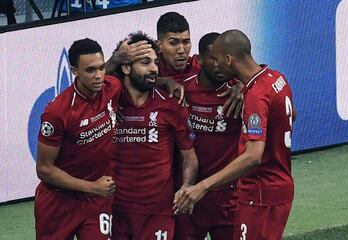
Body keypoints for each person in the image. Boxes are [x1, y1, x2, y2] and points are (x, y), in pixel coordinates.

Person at [175, 29, 295, 240]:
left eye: (218, 59)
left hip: (260, 192)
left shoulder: (256, 96)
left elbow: (253, 156)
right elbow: (292, 115)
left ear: (229, 59)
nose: (217, 65)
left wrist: (203, 186)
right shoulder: (277, 79)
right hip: (279, 184)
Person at [108, 32, 198, 240]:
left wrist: (186, 187)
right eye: (145, 62)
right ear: (126, 67)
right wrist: (113, 60)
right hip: (115, 210)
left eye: (155, 62)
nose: (154, 69)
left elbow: (189, 158)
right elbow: (82, 87)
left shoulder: (171, 104)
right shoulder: (107, 102)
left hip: (157, 212)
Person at [34, 38, 121, 240]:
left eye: (101, 68)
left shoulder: (112, 87)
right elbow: (44, 169)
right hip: (58, 201)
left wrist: (166, 82)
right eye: (90, 70)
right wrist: (93, 187)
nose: (99, 76)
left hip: (97, 201)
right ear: (74, 71)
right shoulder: (57, 113)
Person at [175, 32, 243, 240]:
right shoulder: (183, 89)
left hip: (228, 196)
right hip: (189, 194)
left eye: (223, 59)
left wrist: (243, 85)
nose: (219, 64)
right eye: (213, 58)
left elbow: (287, 112)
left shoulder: (238, 93)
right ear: (199, 60)